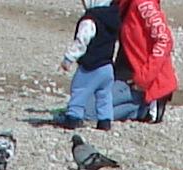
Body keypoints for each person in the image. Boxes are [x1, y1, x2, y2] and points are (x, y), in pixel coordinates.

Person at [59, 0, 138, 128]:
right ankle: (105, 120)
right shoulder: (113, 18)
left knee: (79, 89)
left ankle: (73, 116)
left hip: (91, 66)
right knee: (104, 95)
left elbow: (81, 41)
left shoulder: (90, 20)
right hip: (107, 66)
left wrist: (69, 58)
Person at [117, 0, 175, 123]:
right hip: (126, 75)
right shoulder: (125, 4)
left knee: (91, 111)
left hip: (144, 82)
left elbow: (164, 39)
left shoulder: (143, 4)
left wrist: (144, 79)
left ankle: (145, 108)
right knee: (85, 105)